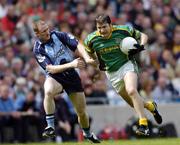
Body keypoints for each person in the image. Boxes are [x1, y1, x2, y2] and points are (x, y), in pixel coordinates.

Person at [83, 14, 162, 136]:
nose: (101, 30)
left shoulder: (124, 30)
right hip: (111, 73)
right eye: (99, 28)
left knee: (131, 90)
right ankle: (151, 106)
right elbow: (91, 56)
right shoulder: (91, 40)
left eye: (104, 27)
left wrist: (141, 46)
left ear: (111, 25)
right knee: (132, 103)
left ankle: (143, 124)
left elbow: (143, 36)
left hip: (126, 65)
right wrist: (97, 64)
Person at [32, 20, 100, 143]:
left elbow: (77, 44)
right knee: (48, 91)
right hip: (56, 76)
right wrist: (72, 64)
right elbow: (50, 68)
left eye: (47, 29)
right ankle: (50, 126)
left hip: (72, 77)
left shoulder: (58, 35)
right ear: (37, 34)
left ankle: (87, 133)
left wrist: (87, 58)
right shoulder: (38, 49)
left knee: (82, 112)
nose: (47, 33)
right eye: (43, 32)